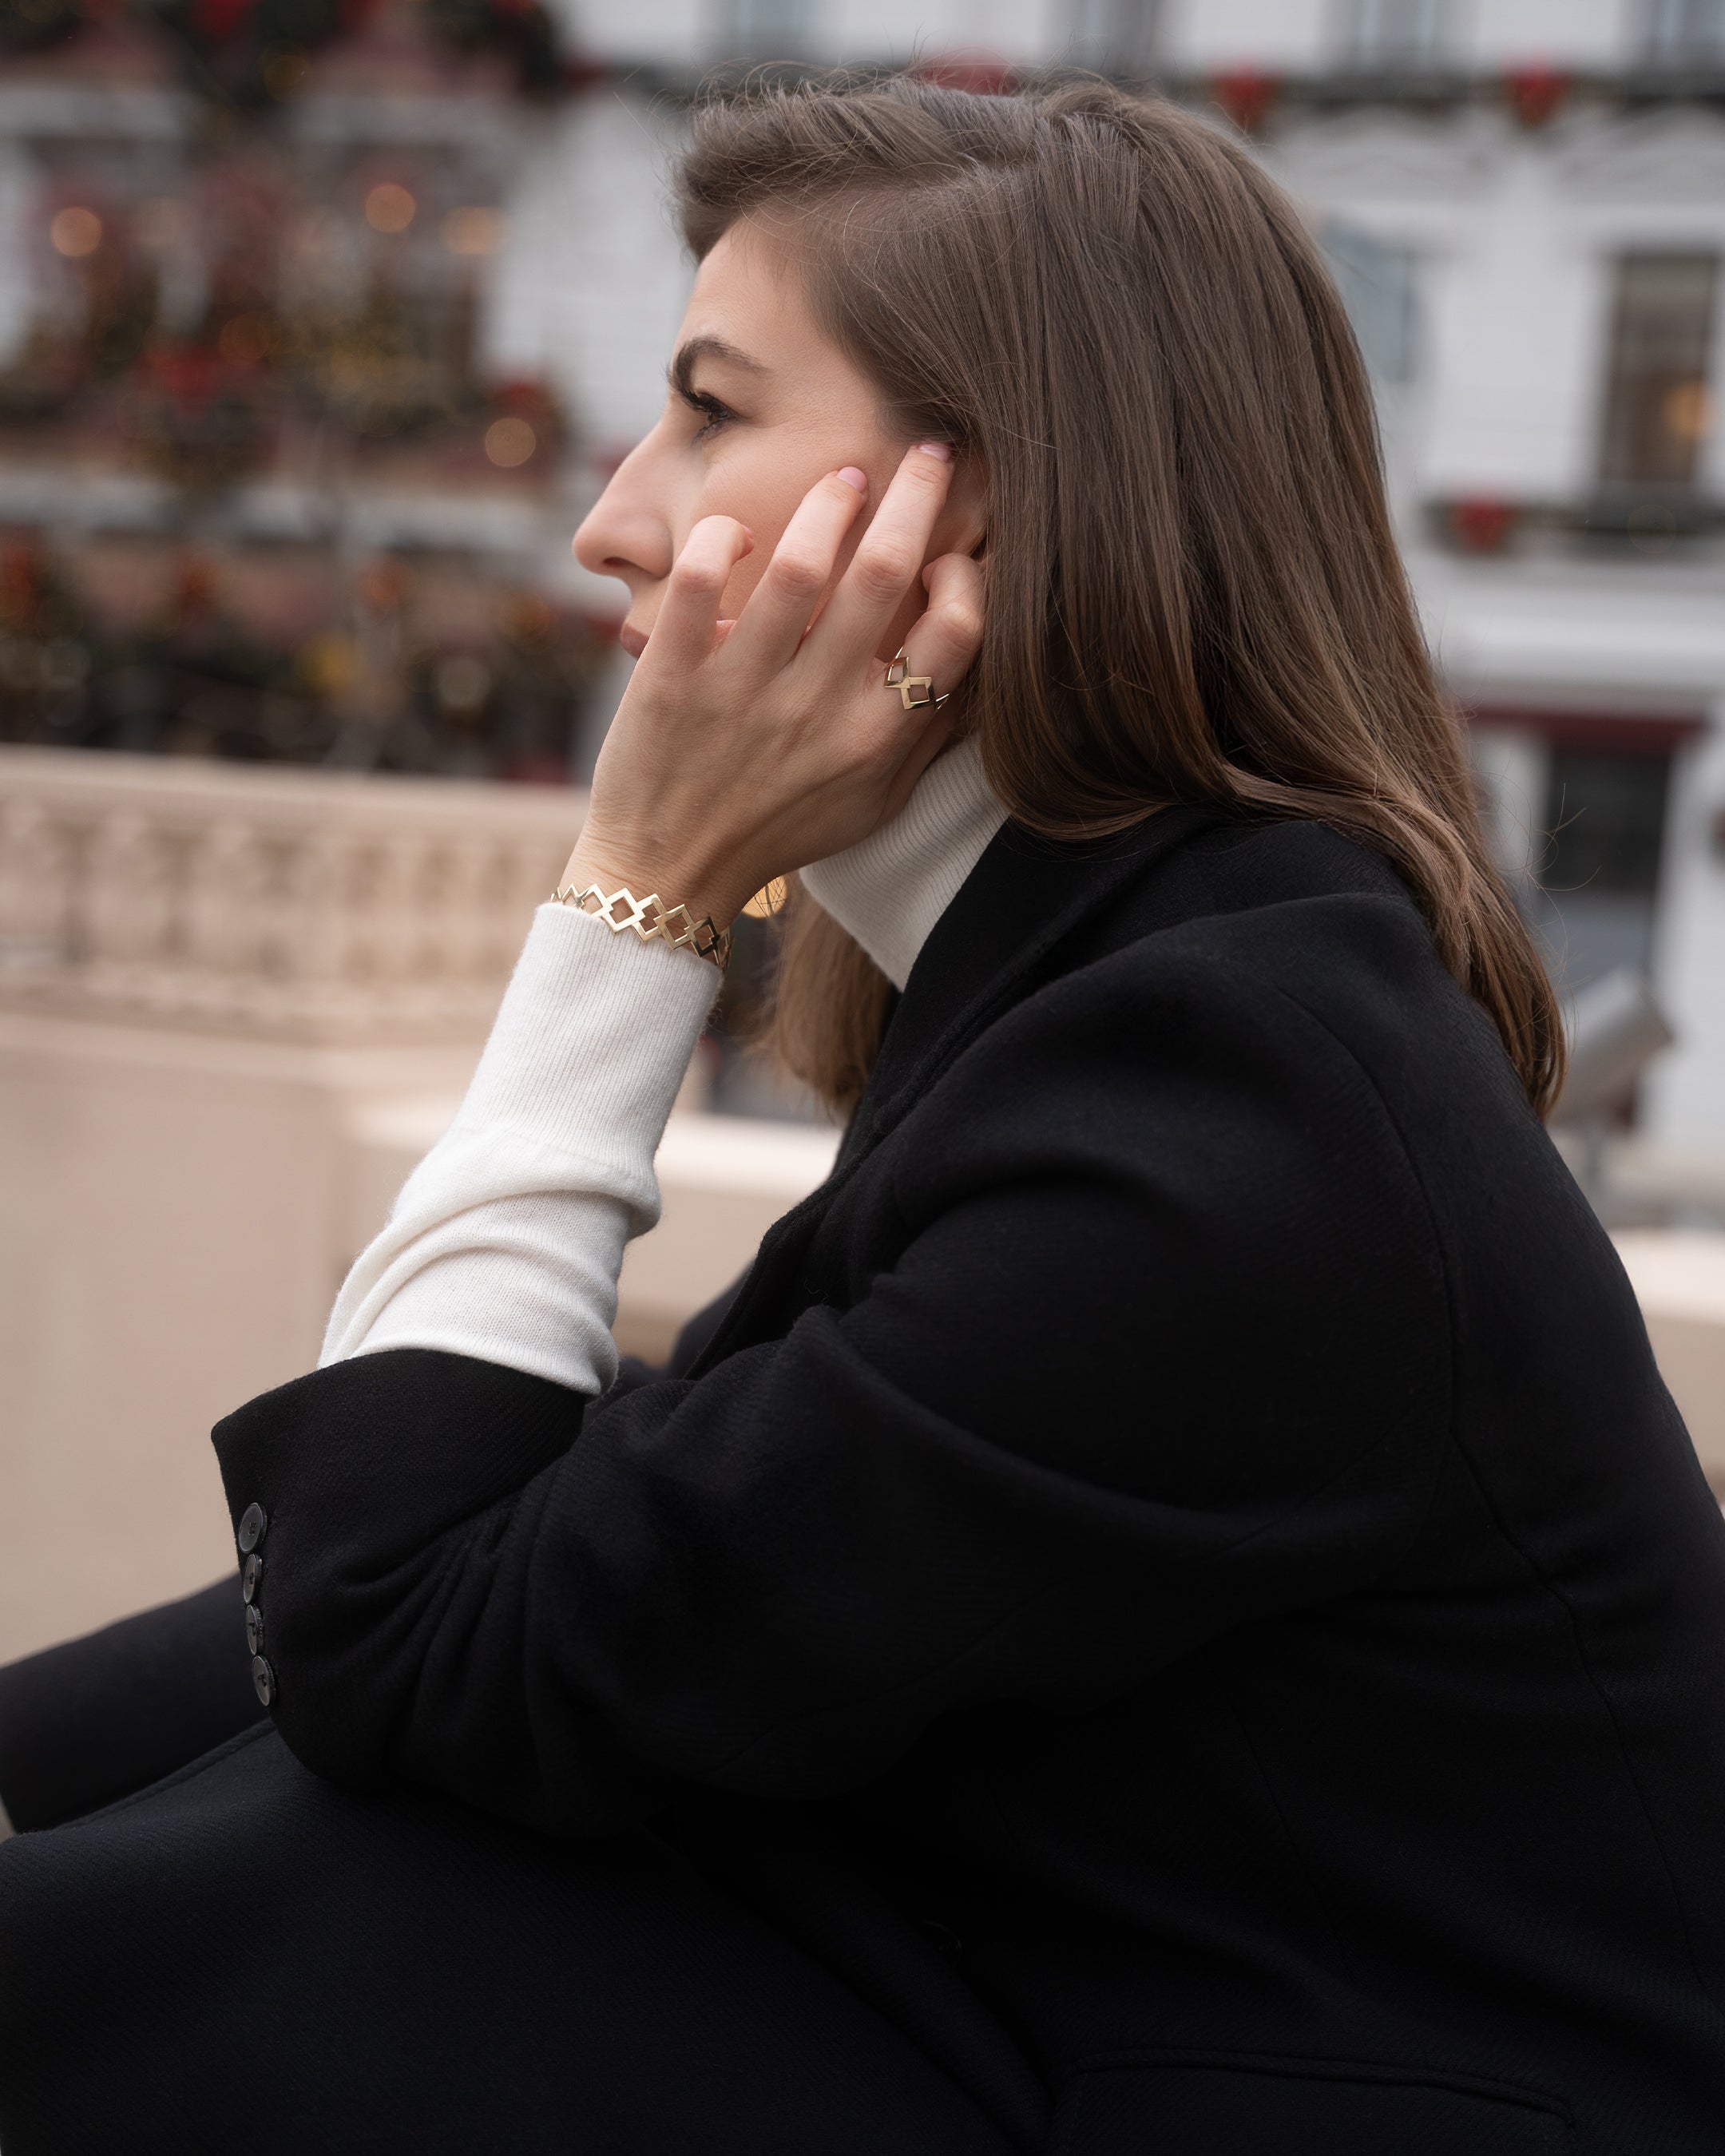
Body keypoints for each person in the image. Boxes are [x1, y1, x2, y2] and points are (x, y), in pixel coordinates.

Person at [2, 75, 1722, 2155]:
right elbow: (594, 1514)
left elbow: (408, 1631)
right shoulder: (1151, 982)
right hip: (1063, 2013)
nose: (610, 517)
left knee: (347, 1911)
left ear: (958, 513)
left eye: (708, 412)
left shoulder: (1236, 1105)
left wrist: (638, 895)